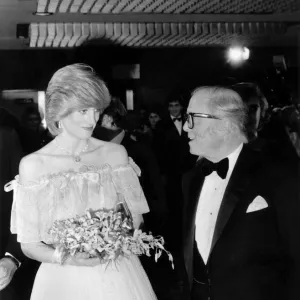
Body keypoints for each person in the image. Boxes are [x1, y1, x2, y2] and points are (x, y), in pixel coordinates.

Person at [4, 63, 157, 300]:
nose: (93, 119)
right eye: (83, 111)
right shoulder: (34, 165)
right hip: (61, 279)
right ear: (60, 112)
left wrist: (115, 240)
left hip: (117, 272)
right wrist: (66, 256)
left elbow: (137, 218)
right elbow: (30, 245)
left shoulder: (115, 154)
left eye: (97, 110)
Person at [181, 86, 300, 300]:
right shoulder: (190, 180)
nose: (184, 127)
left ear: (225, 124)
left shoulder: (278, 174)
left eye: (192, 118)